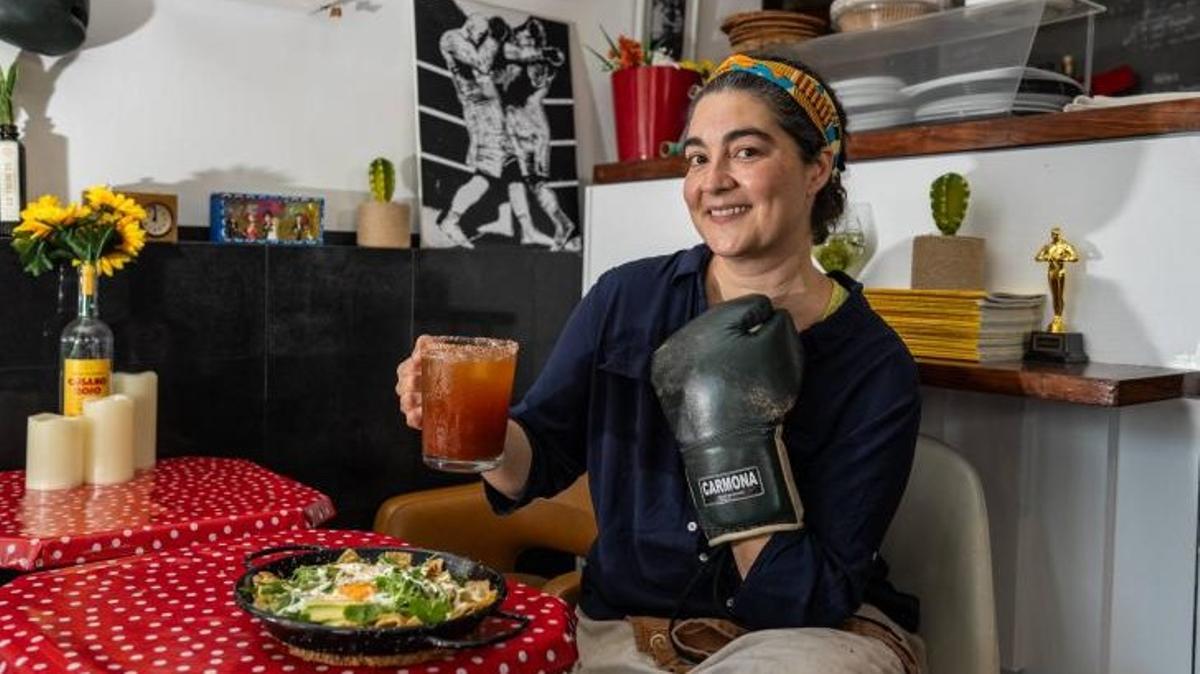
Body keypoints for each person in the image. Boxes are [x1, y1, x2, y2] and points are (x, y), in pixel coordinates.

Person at [397, 53, 924, 673]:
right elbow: (536, 461)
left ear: (817, 168)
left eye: (746, 151)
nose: (714, 180)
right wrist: (473, 426)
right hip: (627, 625)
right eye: (698, 157)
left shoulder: (875, 365)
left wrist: (730, 438)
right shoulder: (626, 300)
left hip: (808, 637)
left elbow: (806, 596)